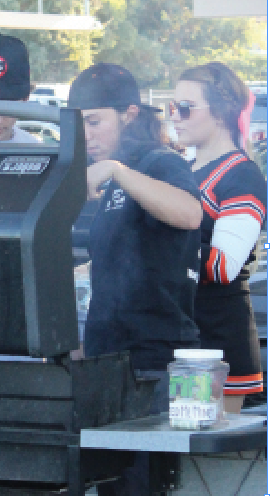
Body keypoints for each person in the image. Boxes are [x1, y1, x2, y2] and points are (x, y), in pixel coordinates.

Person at [67, 63, 202, 496]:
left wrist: (118, 172)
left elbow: (189, 214)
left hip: (155, 357)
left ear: (129, 114)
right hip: (108, 358)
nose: (87, 134)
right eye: (79, 124)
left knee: (144, 484)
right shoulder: (107, 175)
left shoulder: (158, 162)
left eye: (94, 121)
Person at [172, 62, 267, 413]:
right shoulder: (185, 168)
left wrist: (157, 250)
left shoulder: (241, 175)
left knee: (198, 455)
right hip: (185, 337)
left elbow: (224, 267)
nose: (175, 117)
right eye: (172, 107)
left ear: (222, 112)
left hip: (218, 342)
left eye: (185, 108)